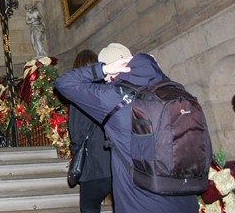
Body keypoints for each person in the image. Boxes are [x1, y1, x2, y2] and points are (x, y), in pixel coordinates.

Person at [54, 48, 200, 213]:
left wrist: (103, 69)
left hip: (140, 202)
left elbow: (63, 82)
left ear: (116, 71)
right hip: (185, 198)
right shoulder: (179, 94)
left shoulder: (115, 98)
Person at [67, 49, 111, 213]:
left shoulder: (78, 95)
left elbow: (76, 132)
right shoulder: (109, 90)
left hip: (93, 166)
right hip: (115, 163)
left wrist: (76, 151)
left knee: (89, 208)